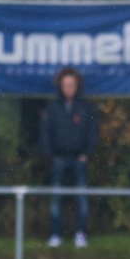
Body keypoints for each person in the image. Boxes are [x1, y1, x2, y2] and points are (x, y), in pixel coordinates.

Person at [40, 67, 99, 249]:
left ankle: (80, 234)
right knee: (56, 197)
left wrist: (87, 154)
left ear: (77, 86)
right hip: (59, 158)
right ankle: (55, 235)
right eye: (65, 85)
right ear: (60, 86)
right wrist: (51, 155)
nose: (68, 89)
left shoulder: (86, 107)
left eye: (71, 85)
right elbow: (45, 134)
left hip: (79, 159)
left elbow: (93, 133)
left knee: (81, 197)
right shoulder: (52, 108)